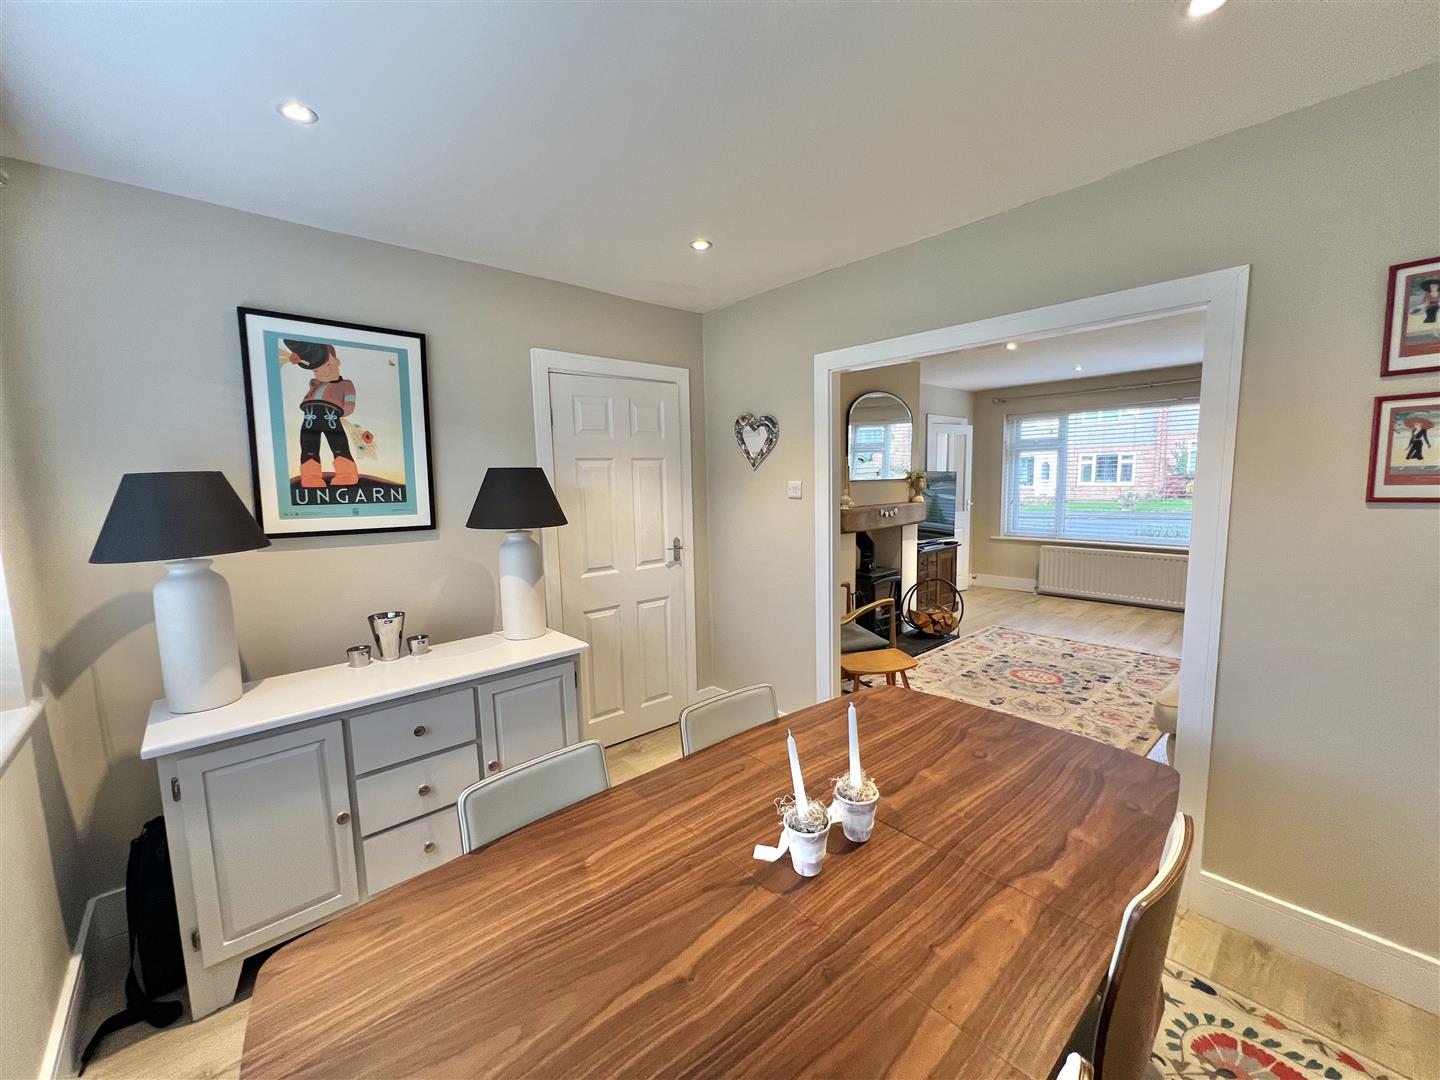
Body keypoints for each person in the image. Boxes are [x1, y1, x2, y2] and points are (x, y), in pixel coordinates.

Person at [284, 339, 359, 487]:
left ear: (337, 362)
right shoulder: (315, 384)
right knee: (308, 447)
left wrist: (343, 411)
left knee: (339, 446)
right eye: (317, 370)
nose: (323, 372)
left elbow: (350, 404)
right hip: (309, 417)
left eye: (328, 365)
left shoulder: (345, 384)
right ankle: (310, 477)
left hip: (330, 416)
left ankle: (347, 474)